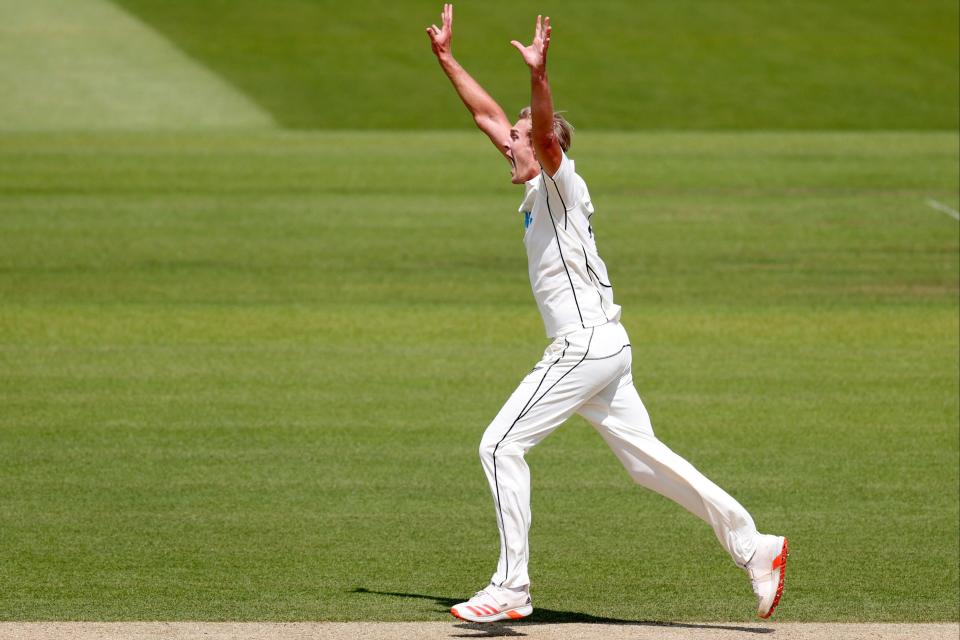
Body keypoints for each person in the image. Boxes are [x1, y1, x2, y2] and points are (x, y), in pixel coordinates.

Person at [426, 4, 787, 624]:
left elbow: (537, 133)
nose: (503, 141)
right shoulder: (536, 186)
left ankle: (511, 588)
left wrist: (539, 77)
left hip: (584, 346)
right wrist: (447, 59)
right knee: (647, 463)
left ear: (543, 150)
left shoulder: (562, 185)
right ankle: (755, 545)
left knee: (498, 447)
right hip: (605, 348)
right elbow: (487, 113)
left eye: (516, 139)